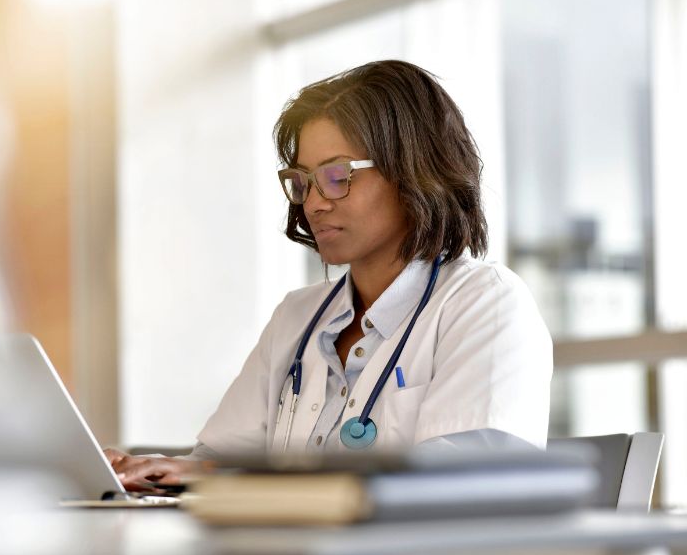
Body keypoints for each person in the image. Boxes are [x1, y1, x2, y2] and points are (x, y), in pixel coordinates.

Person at [105, 60, 551, 491]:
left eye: (338, 176)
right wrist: (163, 471)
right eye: (303, 181)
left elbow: (463, 484)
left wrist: (245, 483)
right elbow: (219, 460)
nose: (313, 204)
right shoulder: (296, 317)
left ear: (413, 170)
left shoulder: (485, 305)